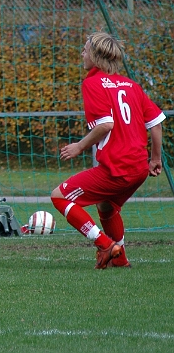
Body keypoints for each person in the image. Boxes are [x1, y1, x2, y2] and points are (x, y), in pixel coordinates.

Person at [50, 32, 164, 269]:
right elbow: (156, 124)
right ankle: (120, 259)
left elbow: (105, 125)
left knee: (59, 196)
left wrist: (79, 146)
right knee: (106, 205)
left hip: (117, 168)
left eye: (85, 49)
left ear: (95, 56)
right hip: (139, 168)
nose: (82, 53)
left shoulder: (92, 83)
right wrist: (155, 159)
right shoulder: (131, 85)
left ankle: (104, 244)